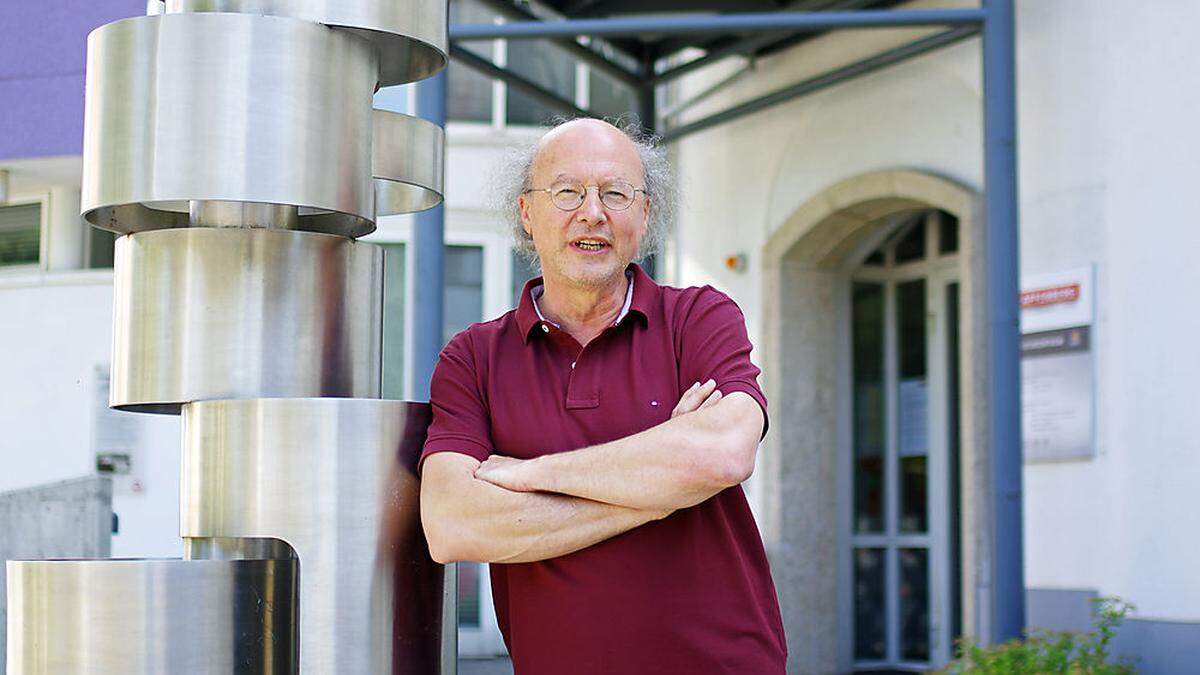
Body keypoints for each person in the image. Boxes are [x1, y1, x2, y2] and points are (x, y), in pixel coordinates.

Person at [419, 118, 786, 673]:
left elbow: (724, 454)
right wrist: (665, 487)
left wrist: (527, 473)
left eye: (616, 193)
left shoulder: (699, 318)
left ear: (643, 215)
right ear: (527, 213)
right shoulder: (473, 358)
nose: (592, 212)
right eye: (567, 191)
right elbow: (453, 525)